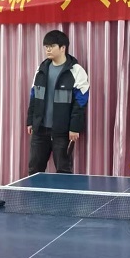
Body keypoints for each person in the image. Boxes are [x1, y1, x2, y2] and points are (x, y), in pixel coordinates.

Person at [26, 29, 89, 175]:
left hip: (63, 132)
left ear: (62, 48)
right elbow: (34, 96)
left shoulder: (76, 71)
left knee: (63, 171)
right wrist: (31, 121)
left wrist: (75, 127)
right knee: (34, 170)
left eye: (52, 46)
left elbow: (80, 103)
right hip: (40, 130)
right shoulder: (41, 69)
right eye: (46, 46)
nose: (48, 49)